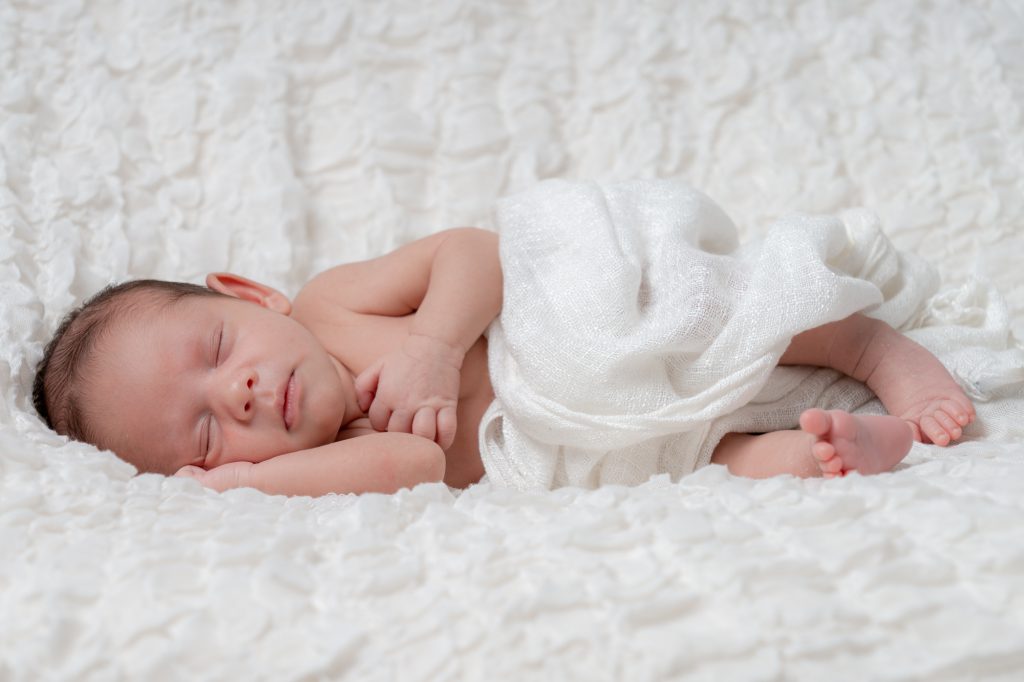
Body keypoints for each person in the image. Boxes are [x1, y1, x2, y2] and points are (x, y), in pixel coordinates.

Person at [31, 227, 975, 496]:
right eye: (203, 431)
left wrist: (437, 349)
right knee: (706, 463)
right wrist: (246, 490)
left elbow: (473, 250)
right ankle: (841, 450)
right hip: (583, 440)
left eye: (217, 348)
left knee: (706, 316)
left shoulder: (330, 302)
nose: (233, 393)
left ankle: (865, 344)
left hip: (584, 336)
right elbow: (410, 461)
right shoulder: (313, 463)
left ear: (248, 297)